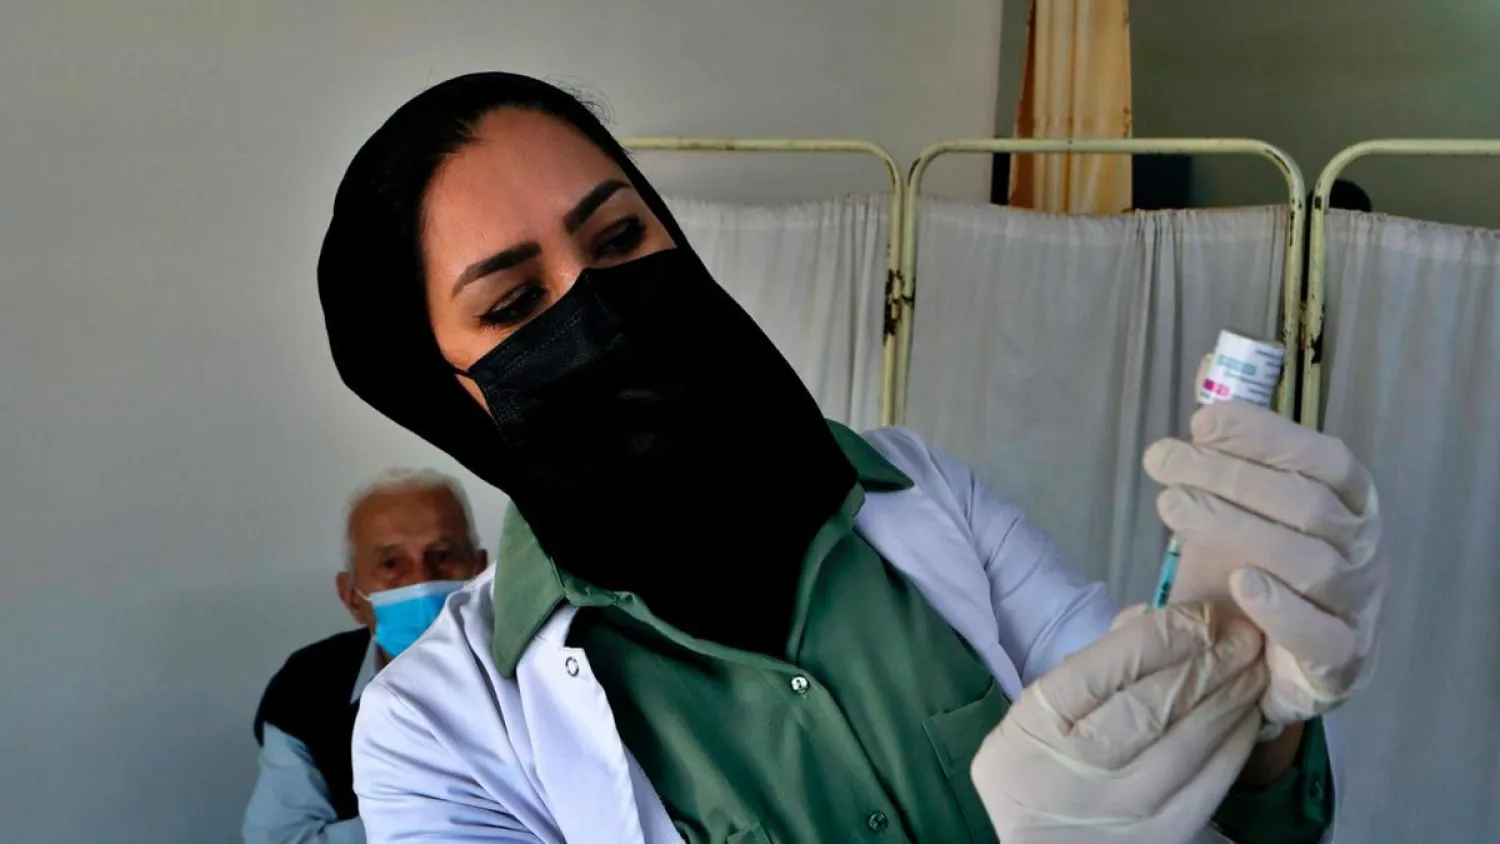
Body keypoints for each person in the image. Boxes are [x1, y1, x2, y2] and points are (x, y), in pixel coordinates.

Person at [315, 72, 1387, 843]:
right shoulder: (437, 731)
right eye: (513, 305)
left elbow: (1193, 792)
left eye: (618, 240)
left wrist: (1244, 699)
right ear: (439, 396)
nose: (602, 307)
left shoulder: (923, 495)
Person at [242, 469, 490, 844]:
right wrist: (431, 819)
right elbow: (281, 838)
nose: (420, 580)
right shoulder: (305, 687)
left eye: (442, 556)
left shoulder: (552, 667)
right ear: (352, 597)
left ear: (481, 571)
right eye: (391, 564)